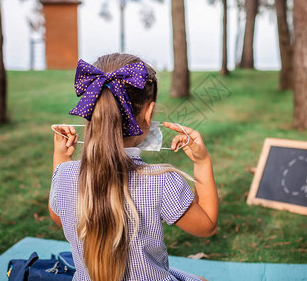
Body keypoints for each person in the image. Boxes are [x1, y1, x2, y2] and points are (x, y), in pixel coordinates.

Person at [49, 53, 219, 281]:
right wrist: (202, 162)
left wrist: (60, 159)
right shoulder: (162, 180)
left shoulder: (64, 175)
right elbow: (207, 225)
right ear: (148, 113)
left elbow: (58, 216)